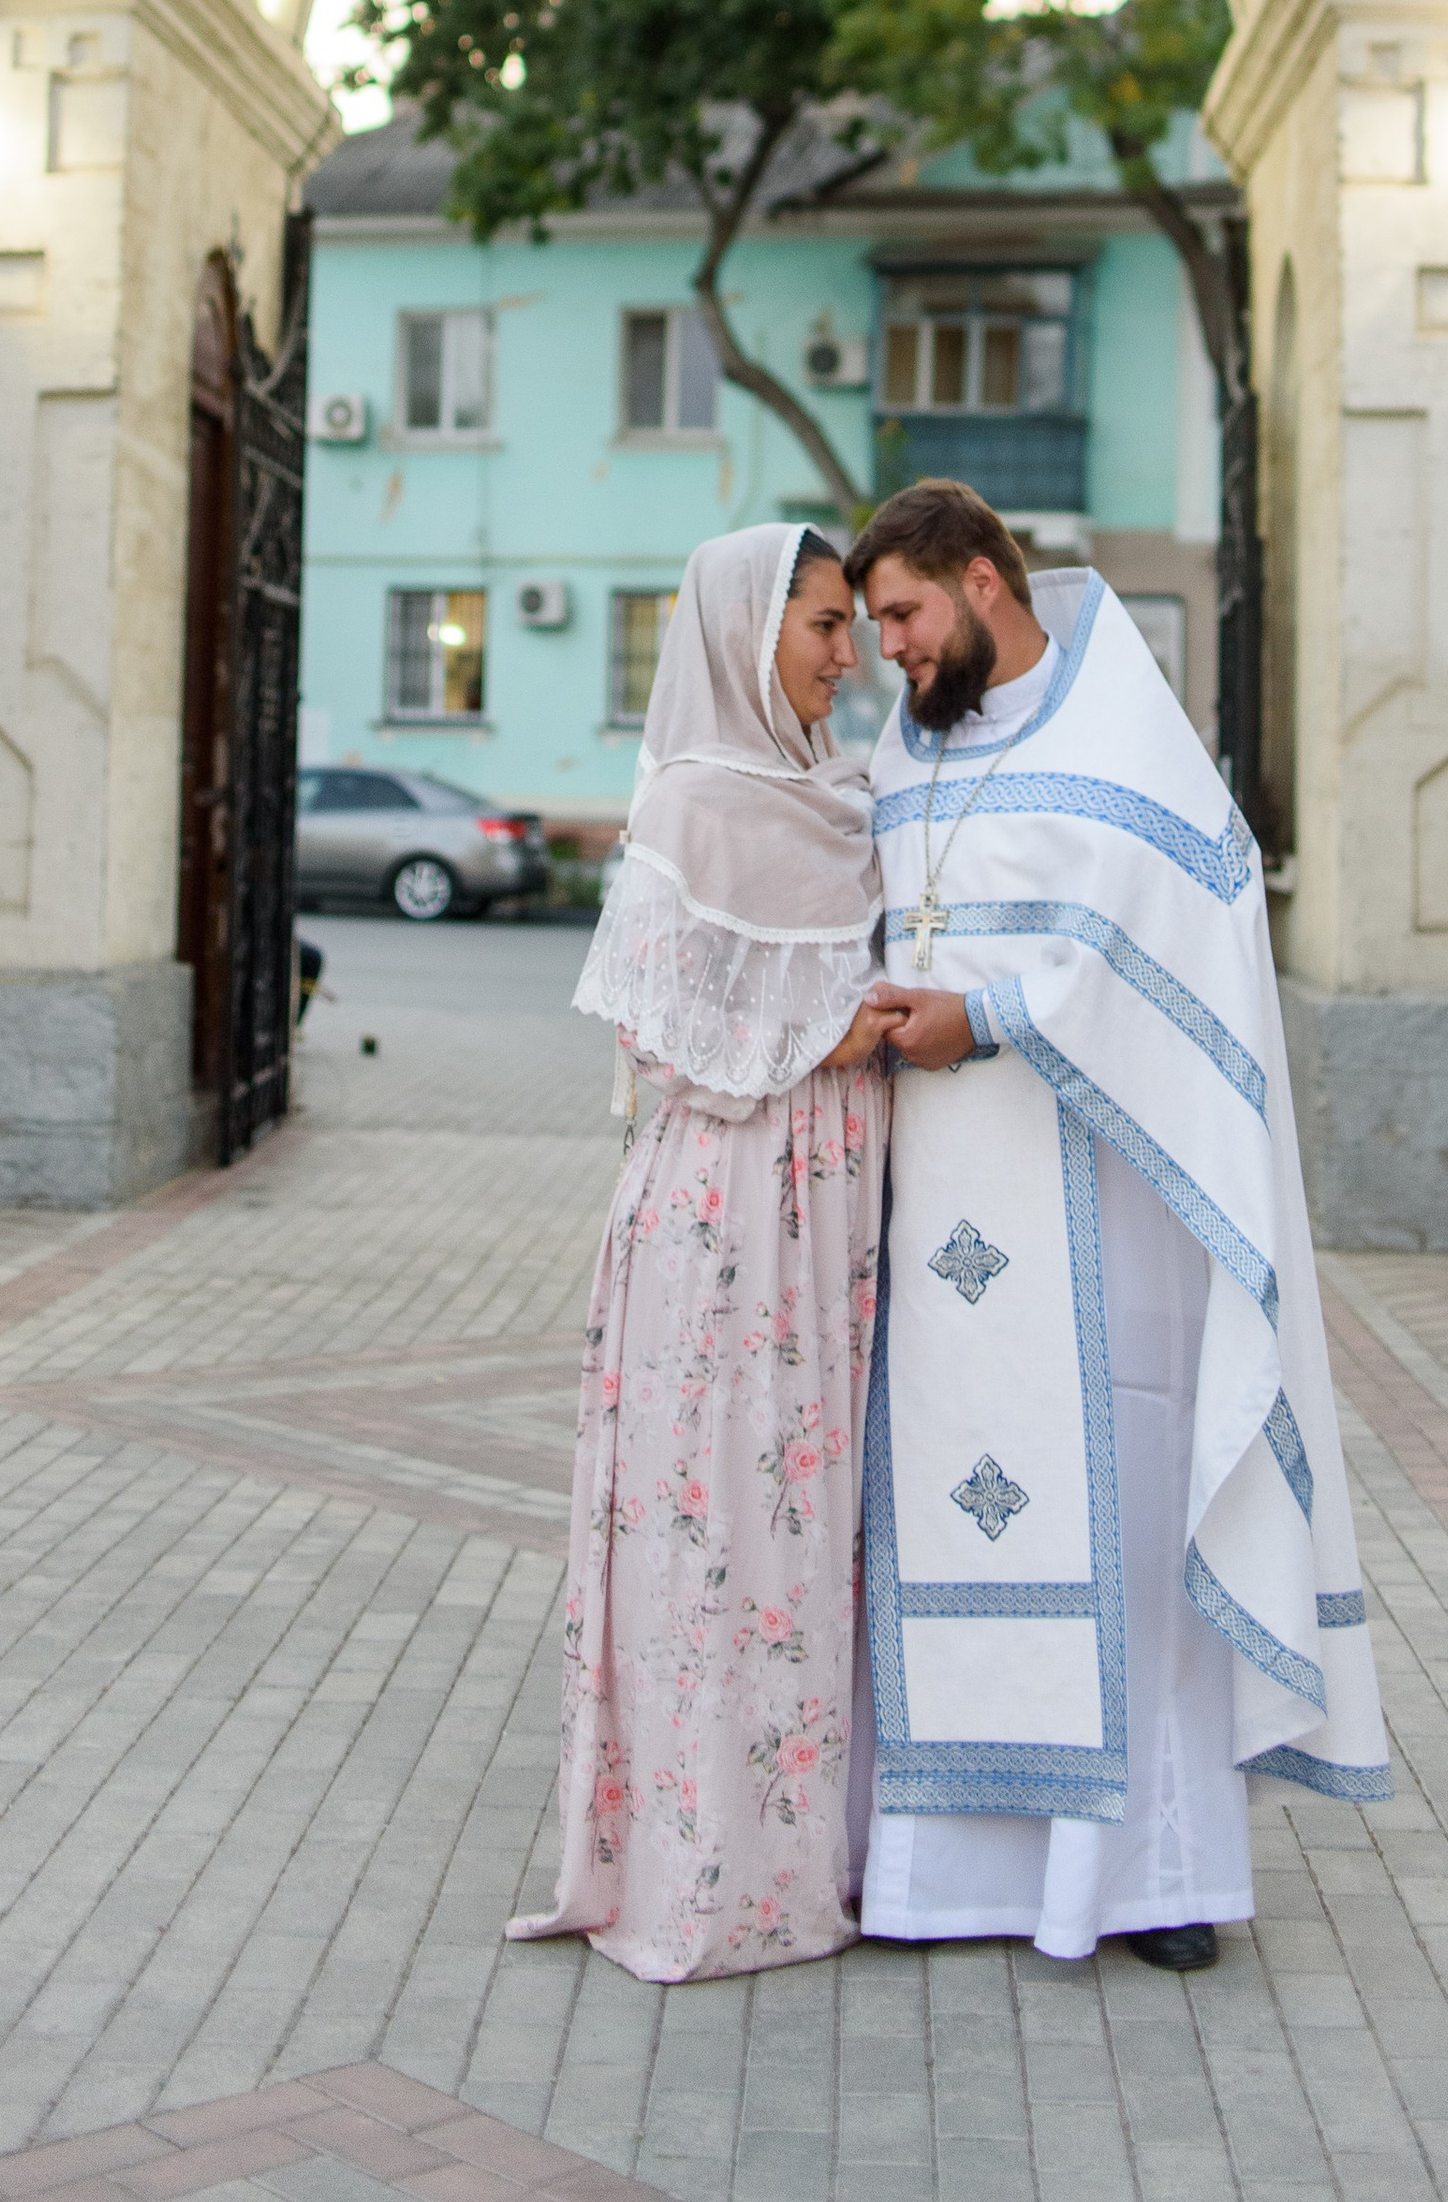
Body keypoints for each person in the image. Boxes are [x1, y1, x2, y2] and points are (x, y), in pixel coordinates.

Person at [847, 479, 1388, 1968]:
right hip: (943, 1206)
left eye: (902, 613)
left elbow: (1186, 952)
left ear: (981, 578)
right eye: (876, 623)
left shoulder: (1129, 741)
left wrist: (993, 1015)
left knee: (1135, 1517)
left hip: (1114, 1212)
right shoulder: (913, 751)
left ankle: (1154, 1876)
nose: (887, 648)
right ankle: (941, 1880)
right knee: (945, 1508)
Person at [508, 523, 892, 1983]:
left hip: (830, 1227)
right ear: (747, 634)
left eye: (856, 623)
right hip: (730, 1219)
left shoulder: (840, 796)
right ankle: (711, 1873)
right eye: (822, 624)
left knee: (808, 1532)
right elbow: (666, 1043)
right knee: (723, 1528)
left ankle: (816, 1847)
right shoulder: (692, 809)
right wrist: (840, 1034)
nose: (845, 653)